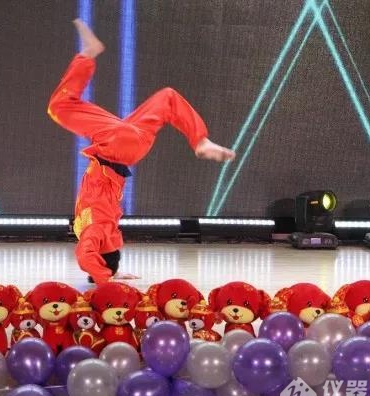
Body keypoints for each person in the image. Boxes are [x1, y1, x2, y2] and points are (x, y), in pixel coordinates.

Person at [48, 19, 235, 284]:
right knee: (59, 106)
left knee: (168, 97)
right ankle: (88, 54)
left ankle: (201, 141)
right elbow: (85, 255)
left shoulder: (107, 228)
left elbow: (103, 249)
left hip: (131, 146)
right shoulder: (97, 229)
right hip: (114, 146)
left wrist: (112, 272)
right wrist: (104, 278)